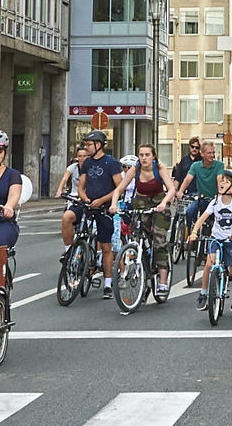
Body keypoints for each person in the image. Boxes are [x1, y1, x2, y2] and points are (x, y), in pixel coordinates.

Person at [62, 129, 122, 299]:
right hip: (88, 204)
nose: (86, 147)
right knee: (68, 217)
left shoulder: (111, 162)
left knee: (106, 246)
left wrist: (103, 200)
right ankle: (69, 251)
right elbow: (81, 186)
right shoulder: (87, 163)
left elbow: (119, 188)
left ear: (98, 145)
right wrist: (85, 198)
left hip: (104, 208)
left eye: (88, 144)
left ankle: (108, 284)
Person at [187, 169, 232, 318]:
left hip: (231, 241)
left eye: (226, 182)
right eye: (222, 180)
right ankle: (203, 293)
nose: (222, 183)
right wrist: (194, 232)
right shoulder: (215, 201)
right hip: (216, 238)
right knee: (210, 263)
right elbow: (202, 218)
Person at [118, 143, 176, 300]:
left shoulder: (160, 169)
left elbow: (171, 189)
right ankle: (143, 274)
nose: (144, 158)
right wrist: (113, 204)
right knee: (137, 239)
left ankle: (163, 280)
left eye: (147, 155)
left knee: (159, 241)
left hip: (159, 204)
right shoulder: (135, 169)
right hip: (141, 204)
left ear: (153, 156)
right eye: (141, 155)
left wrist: (164, 203)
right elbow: (119, 188)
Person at [176, 140, 224, 240]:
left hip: (214, 200)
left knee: (217, 219)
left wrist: (220, 194)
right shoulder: (196, 166)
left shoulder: (219, 165)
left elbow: (219, 179)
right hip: (201, 198)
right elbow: (187, 179)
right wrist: (180, 192)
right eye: (209, 153)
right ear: (202, 154)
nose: (212, 155)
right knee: (189, 212)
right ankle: (190, 235)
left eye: (213, 152)